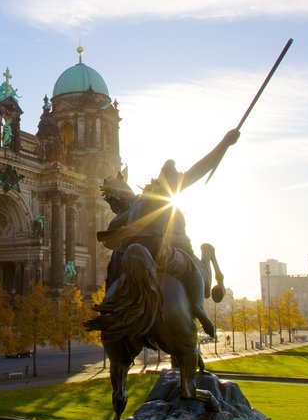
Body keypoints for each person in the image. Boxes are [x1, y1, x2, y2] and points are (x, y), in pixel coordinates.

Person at [98, 129, 240, 337]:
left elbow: (111, 231)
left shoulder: (139, 200)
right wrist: (224, 144)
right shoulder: (165, 190)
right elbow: (201, 168)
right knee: (192, 269)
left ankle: (109, 303)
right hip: (164, 251)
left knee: (116, 269)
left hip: (141, 251)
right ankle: (199, 310)